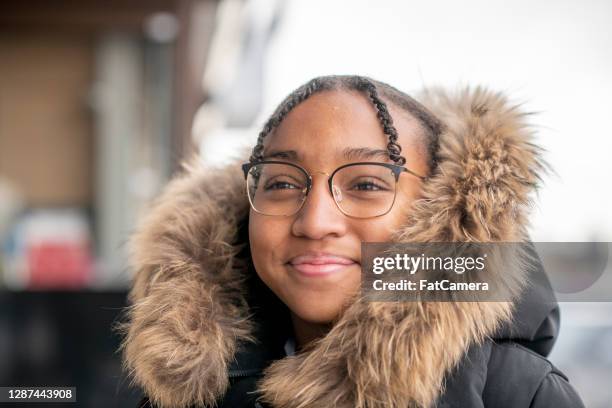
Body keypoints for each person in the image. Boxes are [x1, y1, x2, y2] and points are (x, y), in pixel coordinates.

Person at [121, 75, 585, 407]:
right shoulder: (187, 393)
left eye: (365, 185)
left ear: (438, 214)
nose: (315, 221)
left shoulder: (519, 393)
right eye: (282, 184)